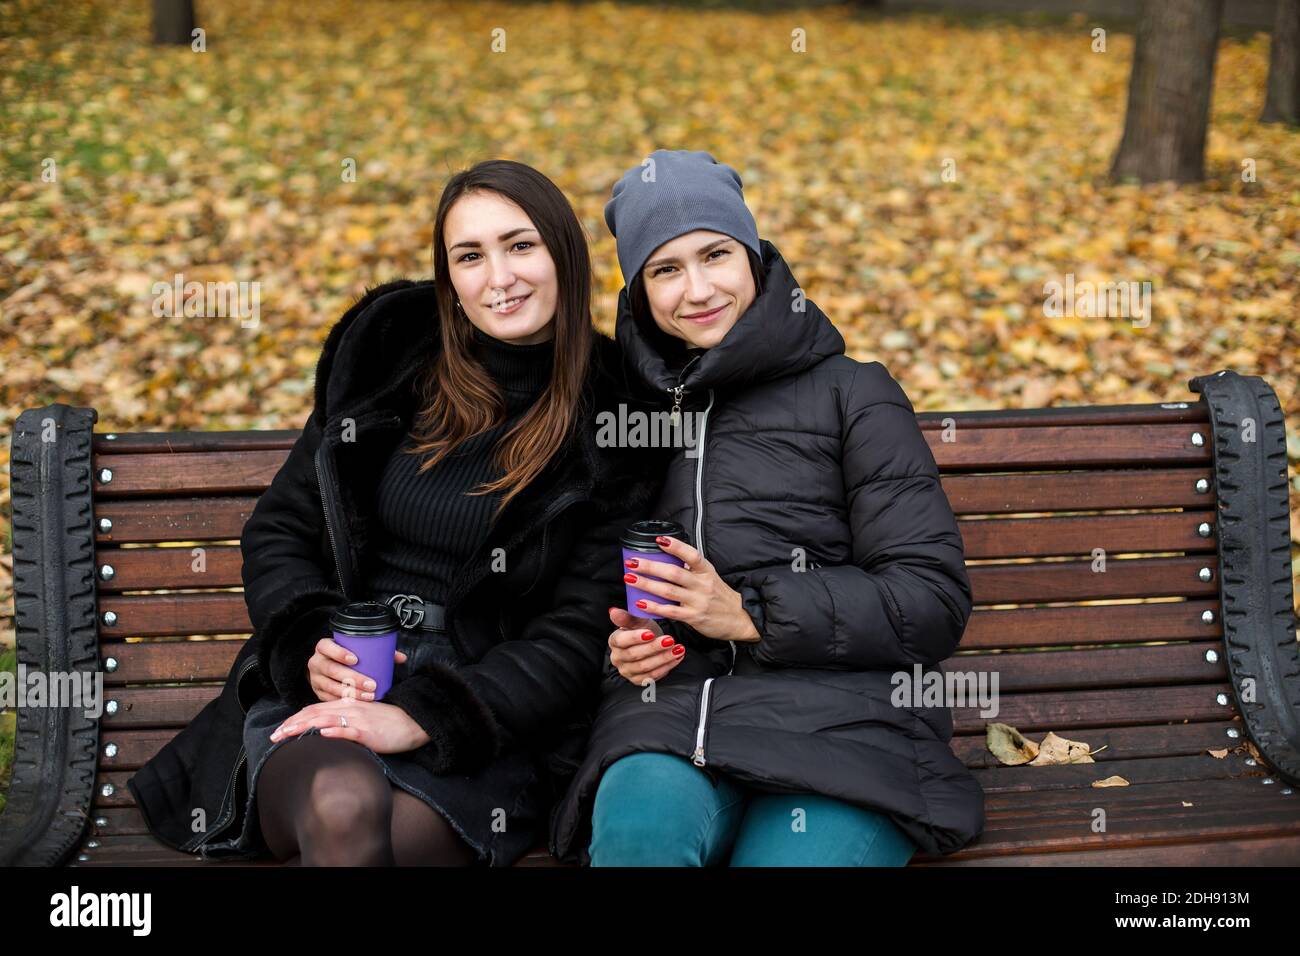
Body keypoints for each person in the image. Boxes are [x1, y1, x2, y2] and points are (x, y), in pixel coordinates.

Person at [128, 159, 667, 866]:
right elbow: (281, 530)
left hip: (482, 718)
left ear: (564, 251)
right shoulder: (392, 360)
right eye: (470, 256)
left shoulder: (614, 418)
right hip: (345, 676)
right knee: (343, 808)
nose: (499, 277)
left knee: (380, 839)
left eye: (520, 245)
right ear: (450, 280)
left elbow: (570, 638)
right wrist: (312, 645)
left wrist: (424, 717)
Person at [548, 149, 985, 866]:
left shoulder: (854, 394)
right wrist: (620, 651)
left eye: (715, 254)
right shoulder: (620, 412)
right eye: (665, 269)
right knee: (637, 842)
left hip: (847, 728)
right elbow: (582, 595)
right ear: (639, 292)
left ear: (753, 256)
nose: (697, 289)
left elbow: (931, 599)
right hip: (670, 724)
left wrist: (750, 613)